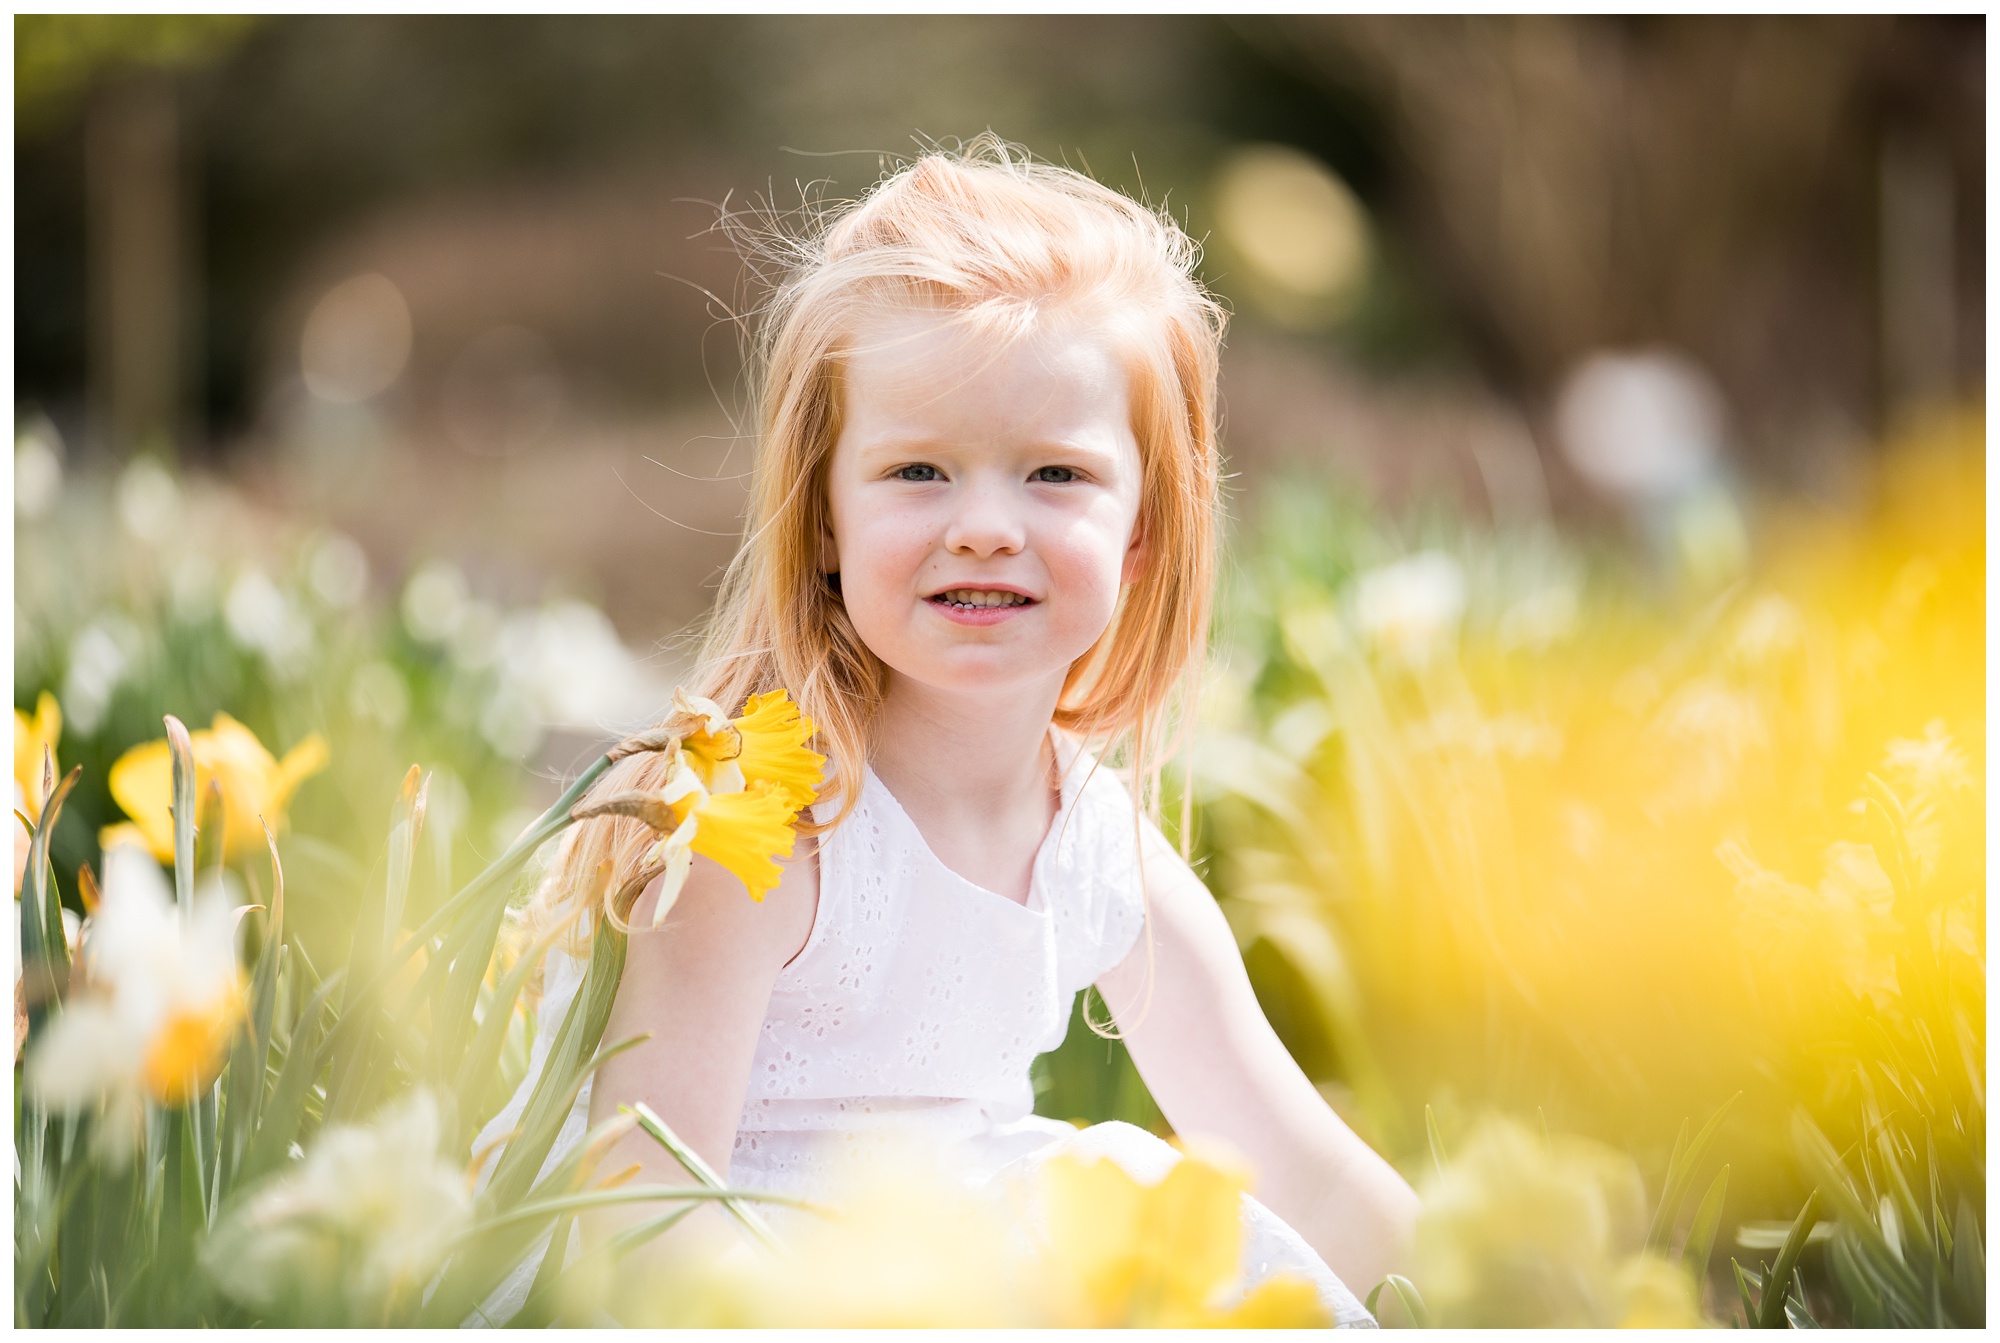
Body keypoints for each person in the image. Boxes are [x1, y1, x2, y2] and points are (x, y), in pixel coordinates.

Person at [473, 136, 1417, 1326]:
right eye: (917, 470)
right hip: (751, 1274)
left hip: (956, 1248)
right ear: (820, 517)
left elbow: (1310, 1172)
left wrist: (1514, 1287)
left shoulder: (1092, 849)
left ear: (1141, 535)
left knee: (1160, 1226)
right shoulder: (759, 827)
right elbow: (639, 1215)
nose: (982, 524)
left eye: (1054, 475)